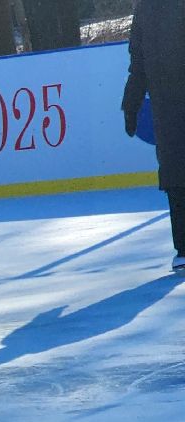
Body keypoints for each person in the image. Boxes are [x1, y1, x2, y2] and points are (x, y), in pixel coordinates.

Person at [123, 0, 185, 273]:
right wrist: (131, 102)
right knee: (175, 175)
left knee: (175, 174)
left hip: (168, 109)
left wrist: (132, 101)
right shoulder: (146, 11)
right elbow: (138, 60)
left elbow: (138, 62)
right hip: (168, 109)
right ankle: (183, 247)